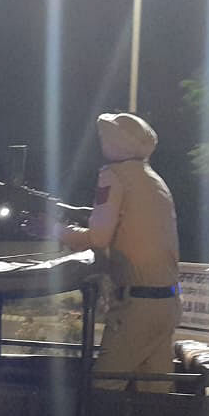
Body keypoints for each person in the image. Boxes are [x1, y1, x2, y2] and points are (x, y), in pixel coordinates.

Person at [56, 112, 180, 392]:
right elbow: (128, 222)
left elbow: (99, 237)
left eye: (105, 135)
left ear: (118, 142)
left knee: (103, 387)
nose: (101, 140)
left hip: (136, 306)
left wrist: (53, 230)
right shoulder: (152, 178)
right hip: (166, 303)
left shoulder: (113, 174)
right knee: (156, 393)